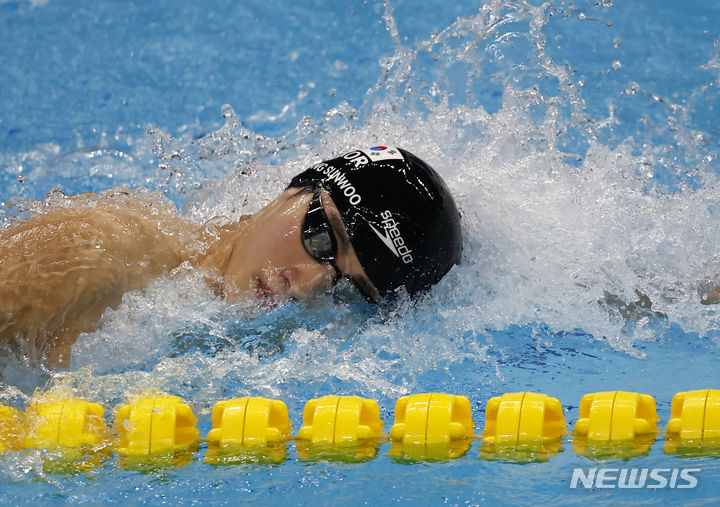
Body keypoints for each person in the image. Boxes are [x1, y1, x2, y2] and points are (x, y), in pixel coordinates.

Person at [0, 146, 462, 368]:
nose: (303, 283)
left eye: (343, 284)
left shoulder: (250, 351)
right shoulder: (101, 254)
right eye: (322, 241)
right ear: (294, 189)